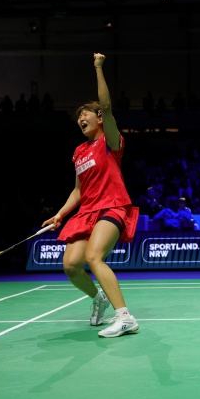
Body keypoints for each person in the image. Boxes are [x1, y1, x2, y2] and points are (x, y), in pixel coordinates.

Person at [41, 53, 139, 338]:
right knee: (71, 266)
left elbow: (106, 106)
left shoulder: (110, 142)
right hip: (87, 212)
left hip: (112, 207)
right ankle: (99, 298)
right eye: (77, 118)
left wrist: (98, 68)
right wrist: (60, 214)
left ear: (98, 118)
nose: (80, 119)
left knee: (94, 257)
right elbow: (78, 190)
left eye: (85, 115)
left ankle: (125, 317)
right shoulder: (79, 152)